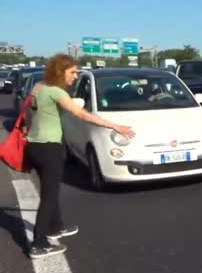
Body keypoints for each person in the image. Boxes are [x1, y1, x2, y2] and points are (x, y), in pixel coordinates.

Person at [25, 54, 135, 259]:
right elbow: (82, 114)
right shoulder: (56, 92)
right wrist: (115, 126)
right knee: (49, 196)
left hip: (35, 145)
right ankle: (39, 244)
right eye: (72, 72)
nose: (75, 76)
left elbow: (28, 114)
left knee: (51, 188)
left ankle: (56, 226)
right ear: (60, 72)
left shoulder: (38, 88)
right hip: (49, 147)